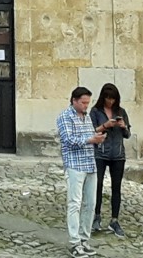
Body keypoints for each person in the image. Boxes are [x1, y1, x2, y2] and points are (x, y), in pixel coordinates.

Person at [57, 86, 106, 258]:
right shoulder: (65, 117)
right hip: (75, 165)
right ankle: (74, 242)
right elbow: (68, 140)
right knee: (74, 203)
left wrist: (97, 139)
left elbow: (89, 135)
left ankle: (85, 239)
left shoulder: (86, 117)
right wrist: (90, 139)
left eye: (88, 102)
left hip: (90, 164)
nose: (86, 106)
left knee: (90, 204)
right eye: (84, 102)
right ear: (74, 101)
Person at [91, 82, 131, 238]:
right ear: (103, 98)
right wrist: (105, 125)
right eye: (108, 98)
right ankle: (96, 216)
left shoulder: (121, 111)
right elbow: (91, 130)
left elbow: (127, 135)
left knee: (116, 187)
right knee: (97, 185)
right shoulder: (95, 112)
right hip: (100, 153)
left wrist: (123, 126)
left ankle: (114, 220)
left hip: (118, 154)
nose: (110, 102)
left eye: (113, 99)